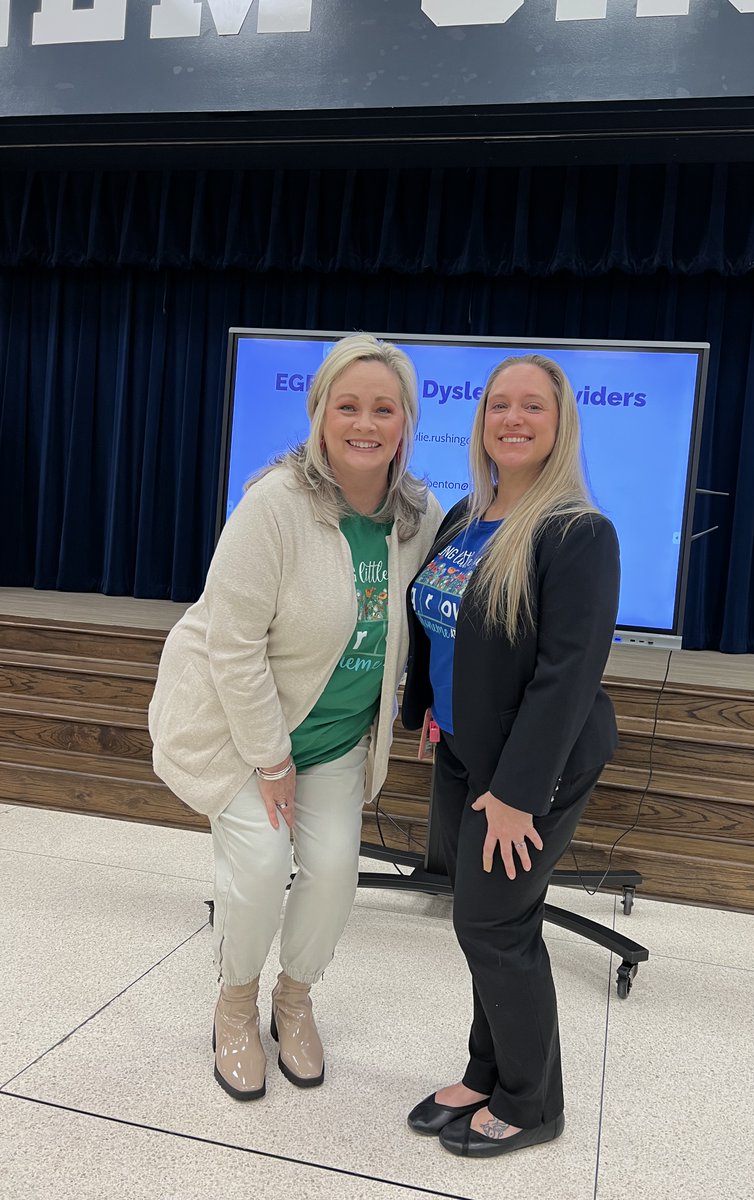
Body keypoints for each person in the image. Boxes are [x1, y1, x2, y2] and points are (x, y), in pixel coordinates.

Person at [148, 333, 442, 1101]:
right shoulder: (273, 505)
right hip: (246, 735)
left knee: (336, 872)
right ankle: (235, 1006)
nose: (365, 422)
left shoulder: (417, 514)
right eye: (347, 405)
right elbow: (233, 643)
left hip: (339, 738)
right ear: (319, 414)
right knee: (258, 868)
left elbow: (422, 623)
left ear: (406, 422)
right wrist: (272, 761)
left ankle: (295, 999)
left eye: (384, 407)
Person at [402, 353, 620, 1157]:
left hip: (532, 769)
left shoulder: (578, 532)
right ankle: (485, 1070)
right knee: (481, 923)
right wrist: (432, 715)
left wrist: (519, 792)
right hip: (468, 753)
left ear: (560, 423)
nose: (513, 418)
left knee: (494, 926)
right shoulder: (467, 515)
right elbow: (451, 630)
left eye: (533, 405)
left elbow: (567, 676)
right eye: (499, 405)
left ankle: (533, 1102)